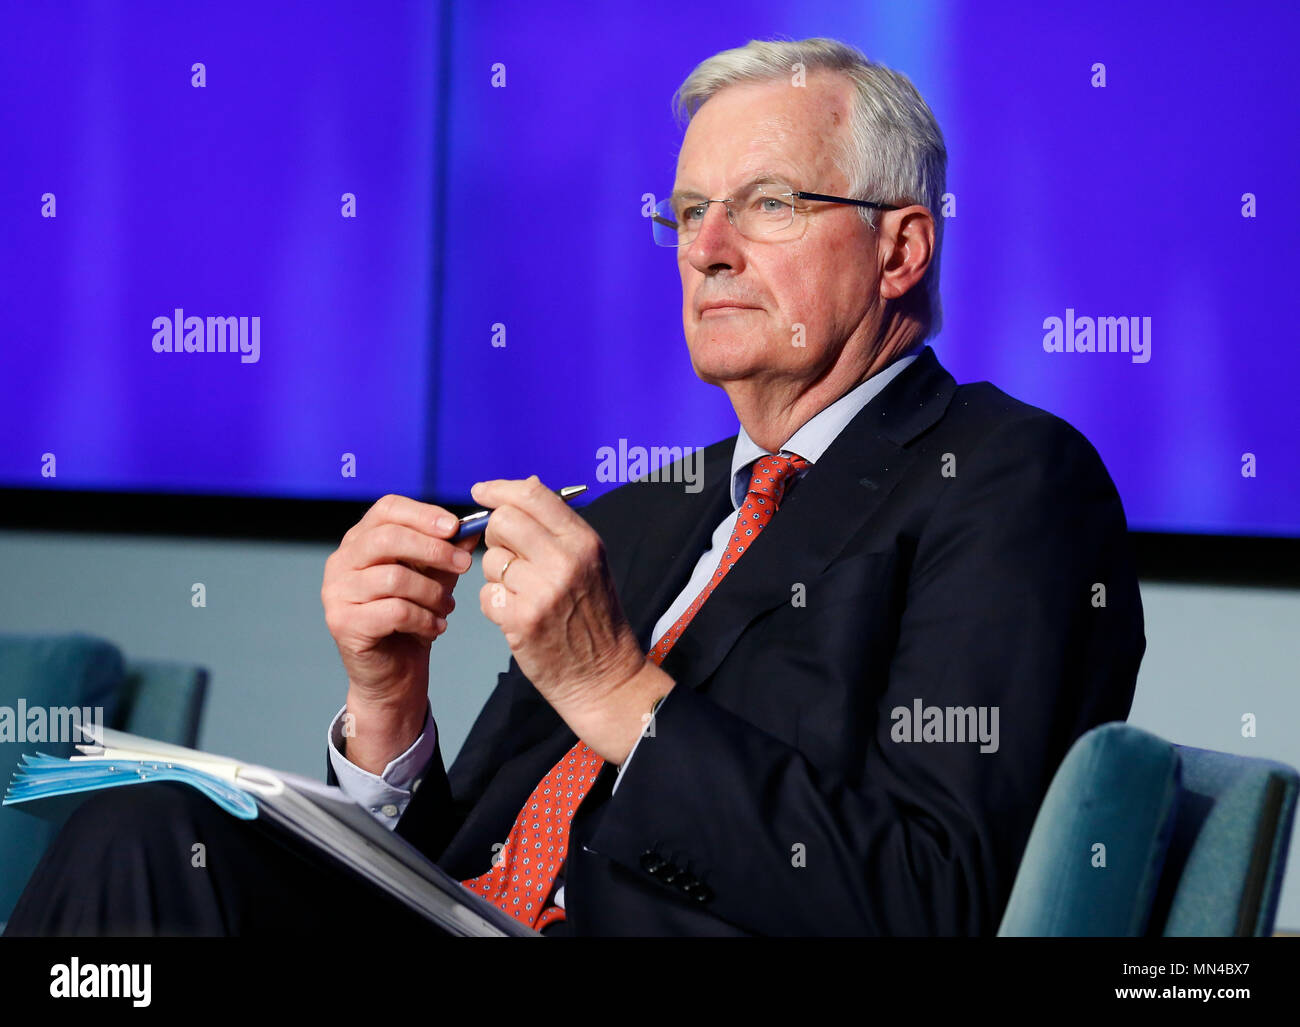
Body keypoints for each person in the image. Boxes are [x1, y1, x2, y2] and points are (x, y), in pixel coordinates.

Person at [5, 37, 1144, 938]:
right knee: (151, 833)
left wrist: (613, 684)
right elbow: (466, 866)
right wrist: (390, 702)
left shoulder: (1006, 481)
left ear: (900, 250)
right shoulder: (643, 514)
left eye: (767, 204)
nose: (707, 250)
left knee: (148, 842)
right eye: (690, 212)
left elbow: (930, 898)